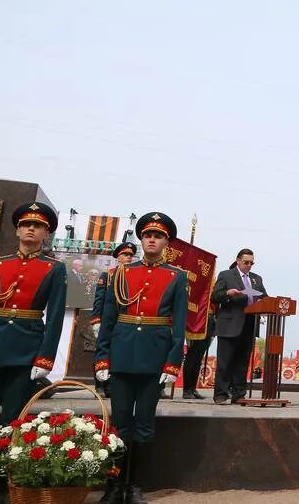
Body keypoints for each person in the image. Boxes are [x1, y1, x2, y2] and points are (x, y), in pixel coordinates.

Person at [0, 203, 67, 504]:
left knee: (11, 424)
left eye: (38, 226)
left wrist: (45, 359)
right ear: (17, 229)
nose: (30, 229)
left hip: (25, 356)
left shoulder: (53, 268)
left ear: (46, 233)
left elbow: (56, 316)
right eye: (25, 224)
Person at [94, 212, 188, 504]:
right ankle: (114, 485)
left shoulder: (176, 276)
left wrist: (173, 363)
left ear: (166, 243)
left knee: (144, 423)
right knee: (120, 423)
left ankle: (135, 486)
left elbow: (180, 323)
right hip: (121, 354)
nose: (151, 239)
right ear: (141, 239)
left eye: (158, 236)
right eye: (147, 234)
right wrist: (102, 359)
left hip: (154, 357)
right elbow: (108, 318)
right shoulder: (120, 273)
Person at [211, 249, 268, 405]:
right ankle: (221, 394)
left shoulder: (257, 279)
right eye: (246, 262)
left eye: (251, 263)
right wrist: (228, 293)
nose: (249, 265)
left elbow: (264, 297)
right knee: (225, 362)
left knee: (242, 362)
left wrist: (266, 305)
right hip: (229, 324)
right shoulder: (226, 275)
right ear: (238, 261)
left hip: (249, 325)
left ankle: (239, 394)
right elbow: (215, 296)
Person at [90, 241, 137, 399]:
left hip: (124, 321)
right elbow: (99, 300)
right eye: (125, 254)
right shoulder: (108, 275)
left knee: (117, 353)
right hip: (106, 320)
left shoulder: (134, 276)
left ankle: (111, 385)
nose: (129, 258)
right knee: (102, 350)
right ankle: (100, 385)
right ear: (118, 257)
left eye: (131, 255)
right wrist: (96, 320)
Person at [181, 304, 216, 400]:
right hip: (197, 319)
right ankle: (187, 389)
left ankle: (192, 388)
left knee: (199, 357)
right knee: (192, 355)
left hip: (209, 319)